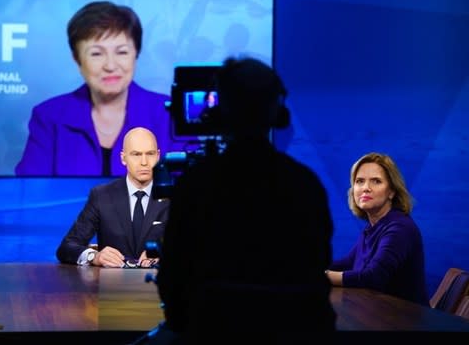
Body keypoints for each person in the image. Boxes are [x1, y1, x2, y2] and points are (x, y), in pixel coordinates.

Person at [150, 56, 337, 343]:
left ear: (219, 112)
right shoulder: (305, 184)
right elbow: (317, 267)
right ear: (278, 112)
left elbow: (173, 277)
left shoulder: (196, 184)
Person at [15, 1, 180, 176]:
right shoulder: (50, 117)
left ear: (136, 54)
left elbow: (193, 190)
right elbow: (30, 192)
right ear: (77, 59)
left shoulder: (169, 113)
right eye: (96, 54)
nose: (110, 65)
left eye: (122, 52)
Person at [325, 152, 429, 305]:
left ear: (391, 191)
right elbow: (347, 263)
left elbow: (373, 277)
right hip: (377, 315)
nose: (366, 188)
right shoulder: (373, 227)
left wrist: (324, 275)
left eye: (376, 181)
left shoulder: (400, 228)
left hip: (404, 321)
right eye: (359, 181)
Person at [56, 126, 167, 268]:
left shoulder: (175, 196)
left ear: (158, 156)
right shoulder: (102, 196)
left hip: (158, 285)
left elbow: (197, 246)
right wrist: (94, 256)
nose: (144, 162)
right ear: (123, 158)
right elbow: (67, 247)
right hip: (112, 285)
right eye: (136, 154)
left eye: (150, 154)